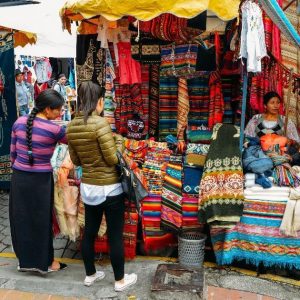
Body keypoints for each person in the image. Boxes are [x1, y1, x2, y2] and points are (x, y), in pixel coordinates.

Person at [67, 81, 137, 290]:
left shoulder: (72, 125)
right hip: (110, 189)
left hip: (89, 188)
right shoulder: (100, 124)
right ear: (98, 102)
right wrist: (117, 143)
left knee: (89, 232)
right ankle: (120, 281)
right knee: (115, 235)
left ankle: (90, 274)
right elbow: (112, 159)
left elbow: (76, 161)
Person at [9, 89, 67, 274]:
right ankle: (47, 263)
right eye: (59, 110)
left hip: (19, 179)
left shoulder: (19, 122)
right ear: (48, 109)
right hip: (41, 181)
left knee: (21, 220)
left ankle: (24, 261)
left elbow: (12, 155)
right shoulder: (55, 130)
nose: (61, 113)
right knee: (42, 221)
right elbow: (72, 142)